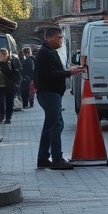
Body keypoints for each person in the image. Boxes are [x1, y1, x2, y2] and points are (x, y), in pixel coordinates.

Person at [34, 26, 84, 170]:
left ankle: (43, 158)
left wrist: (69, 71)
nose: (61, 40)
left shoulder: (50, 52)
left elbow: (55, 71)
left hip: (52, 93)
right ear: (49, 38)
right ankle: (57, 158)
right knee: (56, 124)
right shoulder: (45, 53)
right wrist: (69, 73)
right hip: (49, 93)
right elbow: (49, 74)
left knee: (50, 125)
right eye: (59, 37)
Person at [0, 47, 19, 124]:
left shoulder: (11, 63)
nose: (3, 56)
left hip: (10, 86)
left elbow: (16, 74)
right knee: (0, 103)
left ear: (7, 55)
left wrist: (14, 82)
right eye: (2, 54)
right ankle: (1, 118)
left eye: (5, 54)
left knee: (9, 102)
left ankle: (8, 118)